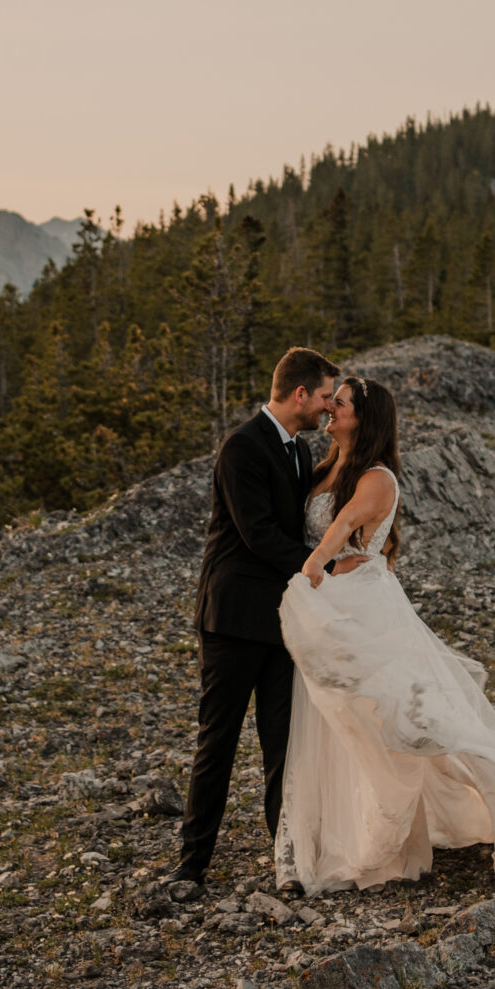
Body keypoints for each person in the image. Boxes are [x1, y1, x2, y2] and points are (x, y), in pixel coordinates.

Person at [274, 375, 495, 894]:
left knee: (414, 721)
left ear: (364, 418)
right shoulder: (325, 467)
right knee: (346, 725)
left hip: (366, 608)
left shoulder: (377, 477)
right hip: (332, 608)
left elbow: (342, 527)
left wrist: (312, 567)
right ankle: (347, 833)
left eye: (339, 404)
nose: (330, 411)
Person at [169, 346, 364, 886]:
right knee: (219, 740)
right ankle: (192, 865)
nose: (328, 407)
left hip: (282, 622)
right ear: (300, 393)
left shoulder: (301, 454)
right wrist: (321, 566)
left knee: (283, 744)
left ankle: (288, 860)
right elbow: (256, 534)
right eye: (325, 395)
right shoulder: (241, 446)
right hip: (232, 620)